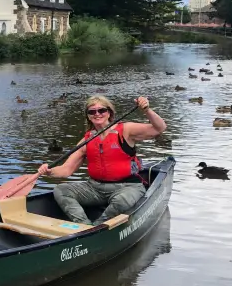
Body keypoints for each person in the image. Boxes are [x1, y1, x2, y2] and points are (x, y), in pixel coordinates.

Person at [37, 95, 166, 225]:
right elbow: (66, 170)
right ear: (88, 116)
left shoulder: (126, 130)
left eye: (101, 110)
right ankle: (84, 226)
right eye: (92, 111)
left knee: (121, 201)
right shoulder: (86, 140)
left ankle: (98, 226)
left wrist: (147, 110)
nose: (97, 114)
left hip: (128, 187)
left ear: (109, 112)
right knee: (61, 190)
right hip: (95, 188)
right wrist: (49, 171)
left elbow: (159, 128)